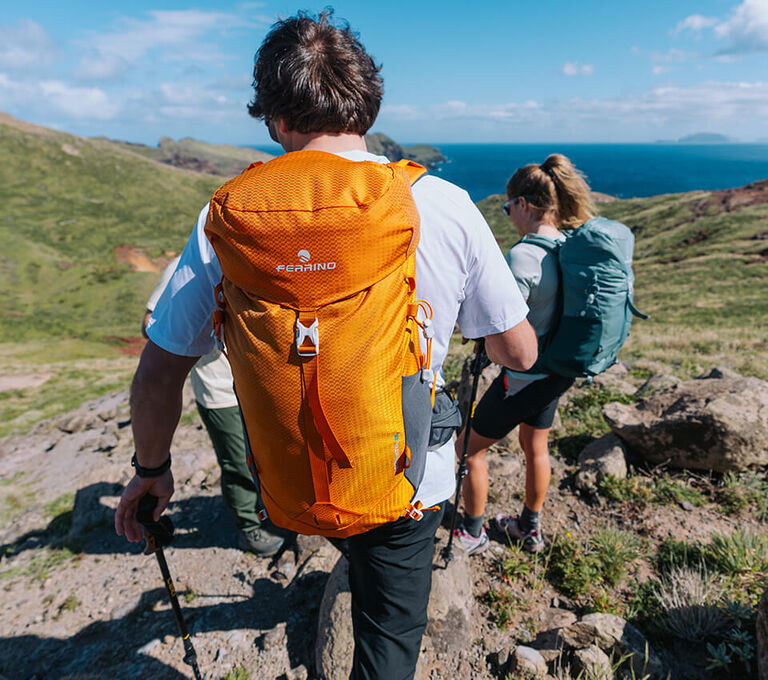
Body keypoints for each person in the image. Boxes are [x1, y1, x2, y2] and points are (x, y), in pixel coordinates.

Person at [115, 11, 537, 679]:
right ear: (368, 106)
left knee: (332, 535)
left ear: (275, 120)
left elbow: (161, 370)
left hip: (285, 476)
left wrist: (151, 469)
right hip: (407, 484)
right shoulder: (446, 204)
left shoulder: (225, 215)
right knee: (387, 641)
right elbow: (519, 355)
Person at [454, 153, 595, 555]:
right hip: (557, 372)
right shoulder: (569, 246)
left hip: (521, 379)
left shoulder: (523, 256)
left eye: (507, 206)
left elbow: (504, 325)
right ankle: (528, 528)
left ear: (525, 205)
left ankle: (471, 530)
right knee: (536, 447)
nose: (507, 214)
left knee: (468, 449)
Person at [142, 257, 285, 556]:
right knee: (237, 462)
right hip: (219, 388)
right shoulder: (189, 262)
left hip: (260, 384)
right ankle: (248, 528)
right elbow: (149, 323)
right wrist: (202, 319)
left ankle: (275, 511)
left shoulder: (253, 250)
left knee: (271, 454)